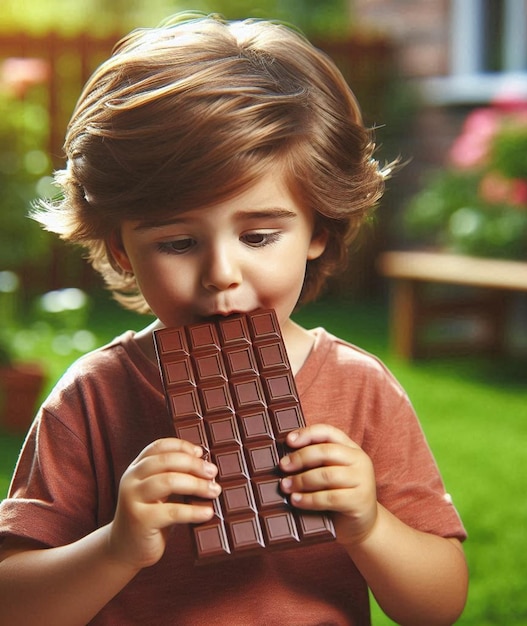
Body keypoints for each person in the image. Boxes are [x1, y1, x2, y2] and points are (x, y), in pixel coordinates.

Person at [0, 12, 467, 625]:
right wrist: (114, 547)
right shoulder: (93, 398)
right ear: (120, 248)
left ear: (318, 229)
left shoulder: (362, 390)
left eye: (259, 234)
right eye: (177, 243)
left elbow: (437, 606)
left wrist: (370, 525)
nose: (222, 272)